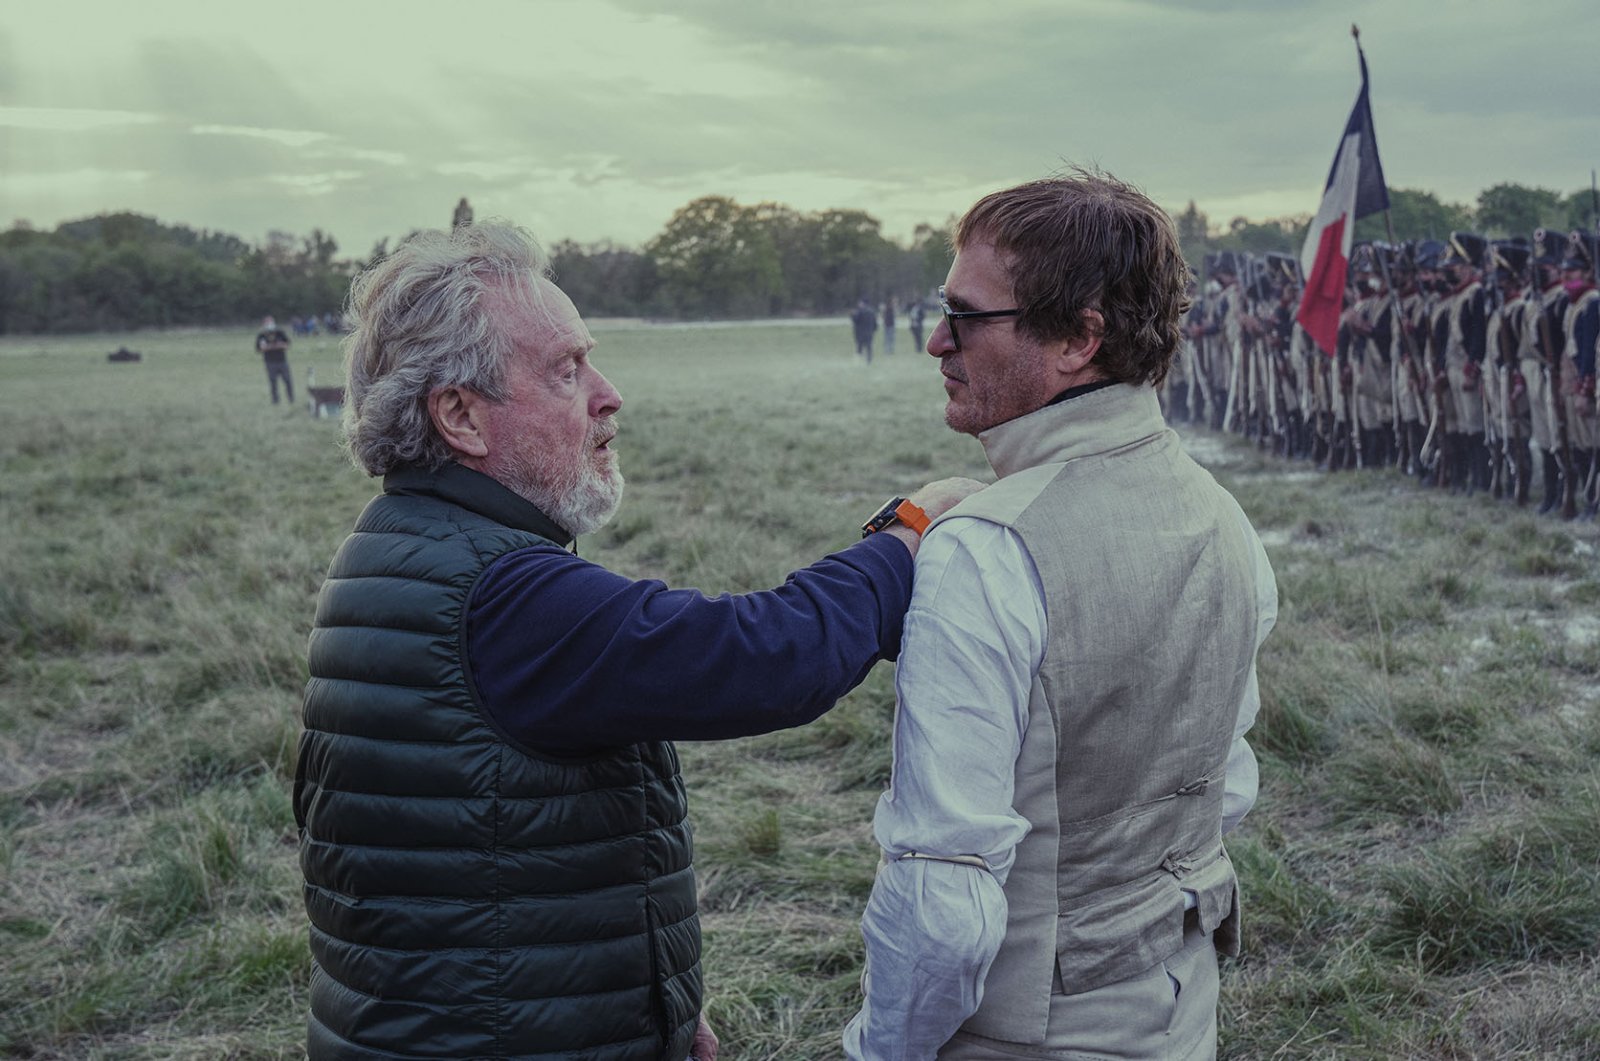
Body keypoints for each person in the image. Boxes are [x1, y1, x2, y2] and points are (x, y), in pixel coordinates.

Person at [294, 221, 981, 1061]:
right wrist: (907, 534)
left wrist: (643, 1020)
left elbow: (479, 863)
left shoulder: (398, 547)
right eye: (565, 369)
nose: (608, 393)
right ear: (460, 416)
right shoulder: (502, 595)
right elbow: (763, 656)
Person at [844, 169, 1277, 1060]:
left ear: (1080, 338)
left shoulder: (984, 551)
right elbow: (1225, 784)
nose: (935, 340)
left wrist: (878, 1049)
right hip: (1179, 1014)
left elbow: (943, 899)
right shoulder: (1222, 513)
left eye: (967, 315)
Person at [255, 315, 293, 404]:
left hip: (282, 361)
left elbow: (287, 344)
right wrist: (273, 347)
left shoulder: (280, 332)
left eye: (270, 322)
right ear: (264, 324)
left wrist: (273, 346)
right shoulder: (261, 335)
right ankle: (275, 401)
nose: (269, 324)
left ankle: (291, 399)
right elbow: (259, 349)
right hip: (270, 362)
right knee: (273, 382)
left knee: (287, 380)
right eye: (267, 322)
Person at [852, 296, 879, 361]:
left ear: (863, 303)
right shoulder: (872, 311)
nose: (859, 304)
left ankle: (858, 359)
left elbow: (856, 320)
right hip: (869, 332)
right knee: (869, 347)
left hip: (860, 332)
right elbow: (875, 323)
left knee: (859, 347)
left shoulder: (860, 311)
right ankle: (869, 359)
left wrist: (852, 315)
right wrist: (874, 330)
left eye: (860, 303)